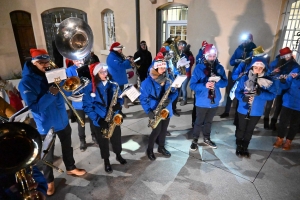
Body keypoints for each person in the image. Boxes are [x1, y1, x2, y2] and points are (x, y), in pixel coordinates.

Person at [18, 49, 87, 196]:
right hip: (46, 125)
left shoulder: (53, 72)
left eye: (47, 62)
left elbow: (64, 91)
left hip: (62, 119)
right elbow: (35, 108)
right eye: (41, 63)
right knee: (46, 157)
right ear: (34, 62)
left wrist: (74, 87)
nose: (45, 65)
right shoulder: (26, 83)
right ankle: (49, 182)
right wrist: (52, 91)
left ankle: (70, 167)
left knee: (67, 147)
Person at [82, 62, 127, 173]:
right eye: (101, 72)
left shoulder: (114, 84)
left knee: (116, 138)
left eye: (105, 71)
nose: (104, 74)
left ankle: (118, 154)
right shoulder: (89, 88)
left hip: (113, 117)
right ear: (96, 73)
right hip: (100, 120)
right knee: (103, 142)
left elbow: (120, 98)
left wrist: (119, 104)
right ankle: (106, 160)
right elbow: (87, 107)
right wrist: (98, 119)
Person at [139, 53, 178, 160]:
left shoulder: (168, 78)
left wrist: (170, 99)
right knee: (156, 131)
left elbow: (174, 92)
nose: (163, 69)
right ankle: (150, 150)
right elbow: (143, 99)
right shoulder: (147, 82)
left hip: (166, 108)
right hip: (154, 109)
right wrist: (148, 112)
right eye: (161, 67)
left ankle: (161, 147)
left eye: (164, 66)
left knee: (164, 130)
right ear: (155, 67)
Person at [235, 57, 276, 157]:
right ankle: (239, 145)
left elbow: (272, 95)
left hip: (256, 111)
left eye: (260, 68)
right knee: (241, 128)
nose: (258, 70)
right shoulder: (245, 78)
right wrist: (243, 98)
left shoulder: (268, 81)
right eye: (256, 67)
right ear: (252, 67)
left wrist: (260, 93)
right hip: (243, 109)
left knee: (250, 129)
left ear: (264, 69)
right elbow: (237, 92)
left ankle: (245, 147)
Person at [189, 44, 228, 151]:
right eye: (210, 56)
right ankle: (195, 140)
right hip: (202, 101)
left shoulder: (219, 68)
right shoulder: (199, 68)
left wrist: (218, 81)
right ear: (205, 55)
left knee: (209, 122)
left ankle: (207, 138)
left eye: (214, 55)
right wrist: (204, 85)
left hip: (214, 101)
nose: (212, 58)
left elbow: (225, 83)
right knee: (198, 122)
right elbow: (192, 85)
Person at [220, 33, 256, 118]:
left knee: (242, 94)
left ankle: (237, 114)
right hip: (236, 74)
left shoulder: (255, 50)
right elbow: (231, 62)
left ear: (251, 40)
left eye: (247, 40)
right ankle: (226, 111)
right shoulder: (239, 49)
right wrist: (239, 60)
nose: (245, 41)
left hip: (247, 76)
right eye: (244, 40)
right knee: (230, 93)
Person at [66, 59, 97, 151]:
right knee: (81, 122)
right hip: (78, 101)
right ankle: (82, 141)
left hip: (89, 99)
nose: (79, 61)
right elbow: (71, 86)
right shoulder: (70, 70)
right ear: (73, 61)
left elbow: (92, 82)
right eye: (76, 60)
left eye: (81, 59)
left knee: (92, 119)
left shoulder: (87, 68)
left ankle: (94, 136)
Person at [268, 47, 300, 131]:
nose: (287, 57)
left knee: (278, 106)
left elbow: (295, 76)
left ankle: (273, 122)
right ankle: (266, 122)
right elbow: (269, 73)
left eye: (289, 55)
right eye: (285, 55)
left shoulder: (294, 65)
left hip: (284, 88)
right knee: (269, 104)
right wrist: (275, 73)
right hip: (274, 86)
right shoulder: (276, 62)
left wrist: (288, 78)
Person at [273, 67, 300, 150]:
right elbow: (286, 85)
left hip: (299, 105)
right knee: (283, 121)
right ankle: (280, 138)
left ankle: (288, 141)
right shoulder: (296, 70)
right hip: (288, 101)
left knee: (295, 124)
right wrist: (283, 81)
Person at [107, 42, 133, 117]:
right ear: (115, 49)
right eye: (120, 49)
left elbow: (124, 65)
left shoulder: (116, 55)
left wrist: (130, 62)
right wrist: (128, 61)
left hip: (120, 80)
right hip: (116, 81)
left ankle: (119, 111)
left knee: (120, 97)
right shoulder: (112, 57)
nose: (121, 51)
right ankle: (117, 113)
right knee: (116, 98)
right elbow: (120, 66)